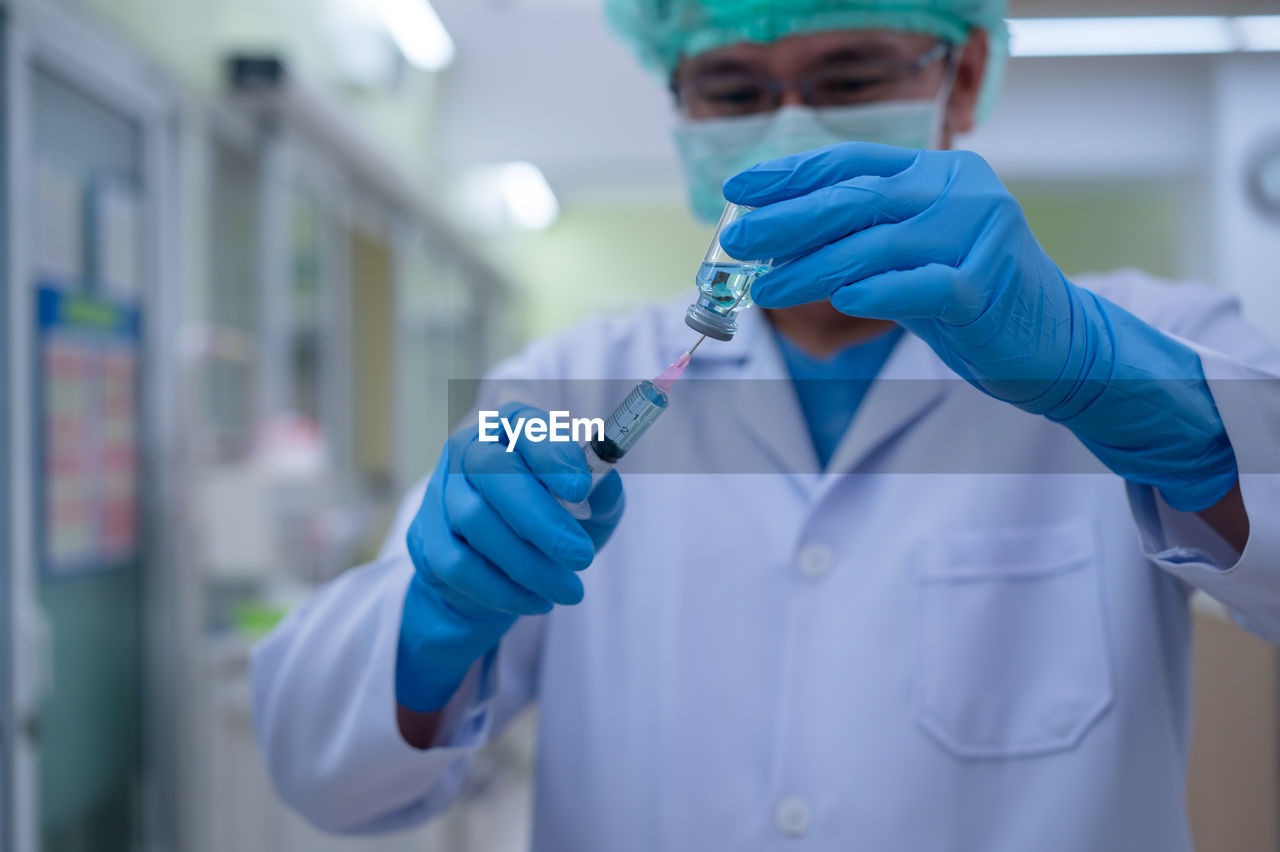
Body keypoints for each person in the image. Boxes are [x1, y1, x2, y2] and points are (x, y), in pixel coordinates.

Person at [251, 2, 1280, 850]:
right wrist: (433, 621)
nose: (790, 123)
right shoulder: (565, 383)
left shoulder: (1139, 338)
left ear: (958, 79)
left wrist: (1127, 391)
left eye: (847, 78)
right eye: (735, 91)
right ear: (679, 105)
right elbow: (317, 771)